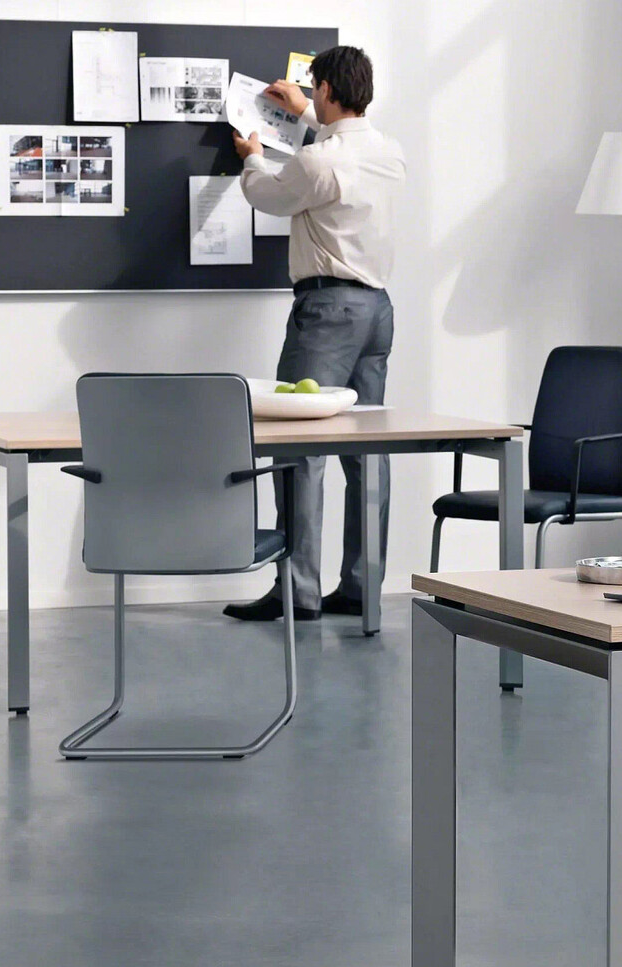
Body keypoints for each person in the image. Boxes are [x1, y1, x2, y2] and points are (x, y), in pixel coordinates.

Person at [224, 46, 407, 622]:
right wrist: (304, 112)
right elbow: (338, 149)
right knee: (367, 451)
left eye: (313, 88)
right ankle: (361, 587)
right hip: (377, 309)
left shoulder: (316, 161)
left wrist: (254, 158)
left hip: (327, 310)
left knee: (300, 448)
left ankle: (297, 591)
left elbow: (267, 195)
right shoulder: (389, 151)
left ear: (326, 88)